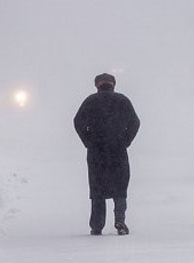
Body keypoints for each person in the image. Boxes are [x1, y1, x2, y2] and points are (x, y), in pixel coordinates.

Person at [74, 73, 140, 236]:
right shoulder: (123, 100)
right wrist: (125, 140)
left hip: (96, 151)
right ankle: (120, 221)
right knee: (120, 187)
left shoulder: (90, 101)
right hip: (118, 150)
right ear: (113, 85)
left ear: (97, 86)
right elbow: (135, 122)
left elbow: (77, 121)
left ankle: (97, 225)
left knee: (98, 188)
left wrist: (87, 140)